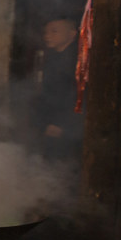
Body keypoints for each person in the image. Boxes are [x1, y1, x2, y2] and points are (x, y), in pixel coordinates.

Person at [34, 17, 83, 166]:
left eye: (54, 31)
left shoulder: (79, 60)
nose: (47, 35)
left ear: (72, 34)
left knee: (66, 167)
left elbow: (79, 96)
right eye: (46, 32)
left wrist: (63, 124)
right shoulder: (53, 57)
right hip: (52, 122)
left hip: (69, 127)